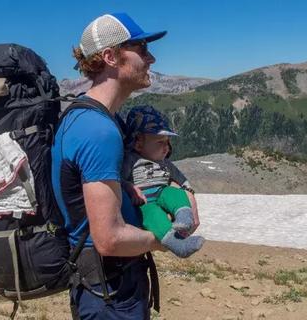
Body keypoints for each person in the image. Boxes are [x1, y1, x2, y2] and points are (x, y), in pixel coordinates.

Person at [51, 13, 200, 319]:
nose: (152, 58)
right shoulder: (98, 129)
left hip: (110, 286)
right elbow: (109, 239)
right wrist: (167, 238)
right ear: (110, 56)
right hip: (109, 294)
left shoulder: (99, 119)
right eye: (142, 49)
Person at [122, 105, 204, 258]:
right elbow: (119, 179)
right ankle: (178, 244)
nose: (166, 147)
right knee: (153, 215)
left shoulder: (165, 162)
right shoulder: (131, 160)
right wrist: (129, 187)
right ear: (138, 144)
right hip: (145, 203)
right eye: (160, 142)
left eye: (167, 142)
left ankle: (184, 218)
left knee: (175, 193)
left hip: (162, 193)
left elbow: (181, 179)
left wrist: (188, 190)